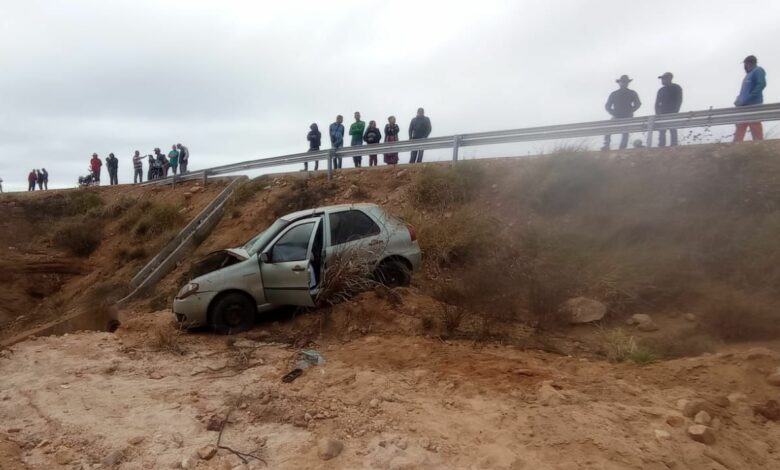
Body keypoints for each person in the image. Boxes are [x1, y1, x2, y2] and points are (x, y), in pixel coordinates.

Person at [603, 75, 641, 151]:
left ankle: (622, 147)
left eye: (625, 82)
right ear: (619, 83)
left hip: (626, 116)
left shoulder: (631, 93)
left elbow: (638, 104)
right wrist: (613, 113)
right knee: (608, 129)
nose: (624, 83)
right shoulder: (615, 93)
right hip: (618, 116)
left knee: (625, 132)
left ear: (627, 83)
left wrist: (630, 111)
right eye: (623, 82)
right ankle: (606, 145)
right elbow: (607, 106)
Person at [734, 55, 767, 142]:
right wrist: (738, 100)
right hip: (743, 106)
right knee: (740, 126)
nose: (744, 67)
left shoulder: (758, 70)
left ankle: (759, 146)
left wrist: (749, 98)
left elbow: (761, 84)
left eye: (745, 64)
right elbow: (744, 91)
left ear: (748, 63)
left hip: (754, 105)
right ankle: (736, 147)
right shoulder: (748, 75)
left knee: (755, 125)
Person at [655, 72, 683, 147]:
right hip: (662, 114)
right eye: (662, 79)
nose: (662, 80)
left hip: (672, 113)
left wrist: (675, 111)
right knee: (662, 131)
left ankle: (673, 145)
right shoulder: (661, 90)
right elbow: (657, 104)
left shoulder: (676, 88)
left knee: (672, 129)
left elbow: (679, 100)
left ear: (669, 78)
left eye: (664, 78)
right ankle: (661, 146)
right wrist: (658, 114)